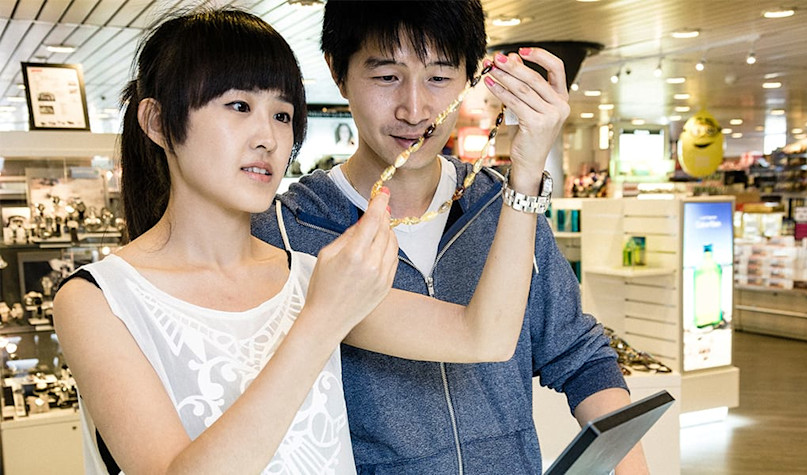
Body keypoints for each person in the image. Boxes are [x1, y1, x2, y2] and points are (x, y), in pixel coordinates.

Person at [53, 8, 546, 474]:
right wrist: (322, 320)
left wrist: (526, 174)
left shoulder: (306, 274)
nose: (268, 138)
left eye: (283, 115)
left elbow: (487, 336)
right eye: (239, 106)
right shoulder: (97, 299)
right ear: (158, 122)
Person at [251, 1, 649, 473]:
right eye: (386, 77)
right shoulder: (285, 231)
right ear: (339, 72)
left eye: (439, 78)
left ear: (472, 77)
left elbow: (577, 352)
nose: (415, 109)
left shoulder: (504, 208)